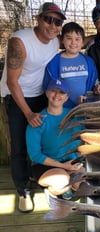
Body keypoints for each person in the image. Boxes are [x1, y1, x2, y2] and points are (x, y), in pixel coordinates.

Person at [0, 2, 66, 212]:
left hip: (40, 95)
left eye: (58, 22)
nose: (53, 25)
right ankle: (22, 191)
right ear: (38, 19)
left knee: (43, 141)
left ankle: (42, 178)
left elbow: (76, 42)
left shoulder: (55, 41)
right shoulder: (20, 41)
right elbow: (12, 81)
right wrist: (28, 113)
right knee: (19, 147)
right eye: (49, 19)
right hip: (17, 97)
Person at [26, 78, 85, 200]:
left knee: (84, 181)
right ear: (47, 93)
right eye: (53, 91)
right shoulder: (38, 120)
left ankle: (69, 187)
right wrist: (63, 167)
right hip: (47, 165)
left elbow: (85, 138)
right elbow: (35, 155)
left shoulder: (74, 116)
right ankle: (53, 192)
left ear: (67, 97)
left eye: (61, 92)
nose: (57, 95)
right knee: (62, 181)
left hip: (71, 162)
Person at [43, 21, 100, 108]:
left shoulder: (88, 61)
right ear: (62, 40)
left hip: (84, 107)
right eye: (69, 38)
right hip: (62, 109)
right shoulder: (54, 62)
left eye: (77, 39)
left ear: (82, 42)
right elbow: (48, 88)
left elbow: (93, 83)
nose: (73, 43)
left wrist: (97, 88)